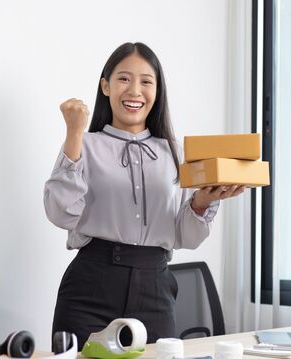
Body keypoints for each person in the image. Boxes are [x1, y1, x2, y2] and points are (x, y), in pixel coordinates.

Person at [44, 42, 245, 348]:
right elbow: (61, 214)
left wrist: (203, 201)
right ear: (106, 86)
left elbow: (186, 237)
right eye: (124, 78)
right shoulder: (85, 145)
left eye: (146, 81)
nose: (135, 90)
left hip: (155, 289)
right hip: (90, 286)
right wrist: (74, 133)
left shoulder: (176, 153)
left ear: (157, 90)